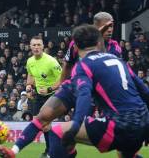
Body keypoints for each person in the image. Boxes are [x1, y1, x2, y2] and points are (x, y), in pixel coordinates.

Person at [0, 12, 117, 158]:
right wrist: (63, 84)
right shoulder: (78, 42)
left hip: (91, 93)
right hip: (72, 87)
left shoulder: (114, 48)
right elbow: (67, 64)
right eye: (106, 26)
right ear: (96, 26)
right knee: (42, 117)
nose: (110, 29)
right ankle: (14, 151)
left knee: (71, 135)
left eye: (112, 26)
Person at [48, 24, 149, 158]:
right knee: (126, 154)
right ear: (98, 43)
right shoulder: (118, 60)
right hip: (143, 121)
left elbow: (84, 94)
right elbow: (145, 91)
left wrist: (76, 125)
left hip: (120, 124)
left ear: (76, 47)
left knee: (57, 133)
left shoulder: (83, 65)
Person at [0, 35, 62, 158]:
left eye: (39, 45)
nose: (36, 47)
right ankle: (50, 151)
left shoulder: (51, 61)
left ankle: (50, 151)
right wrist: (28, 85)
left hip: (53, 95)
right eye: (34, 45)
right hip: (38, 96)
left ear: (43, 46)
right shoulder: (30, 61)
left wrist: (50, 88)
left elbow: (63, 78)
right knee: (38, 123)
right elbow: (31, 75)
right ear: (30, 46)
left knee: (45, 124)